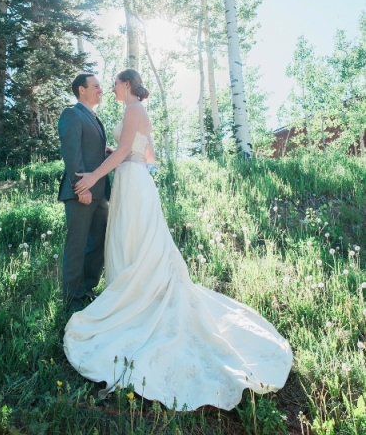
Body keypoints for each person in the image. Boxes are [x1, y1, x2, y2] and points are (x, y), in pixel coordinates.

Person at [63, 69, 293, 411]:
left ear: (126, 84)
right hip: (138, 181)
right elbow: (147, 156)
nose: (109, 88)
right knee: (140, 243)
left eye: (113, 83)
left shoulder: (131, 109)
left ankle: (132, 297)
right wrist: (125, 156)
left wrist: (98, 172)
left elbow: (127, 148)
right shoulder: (140, 110)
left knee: (133, 242)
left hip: (130, 183)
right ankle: (137, 290)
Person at [58, 73, 111, 314]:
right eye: (96, 86)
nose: (101, 90)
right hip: (82, 191)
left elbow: (94, 152)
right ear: (82, 89)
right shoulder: (71, 114)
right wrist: (82, 188)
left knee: (98, 242)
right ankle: (72, 299)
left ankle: (87, 288)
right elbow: (72, 153)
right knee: (77, 245)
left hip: (101, 193)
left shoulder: (94, 118)